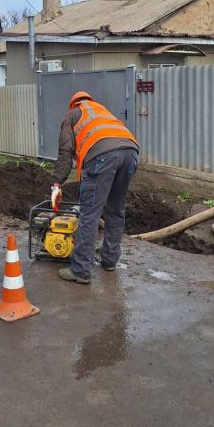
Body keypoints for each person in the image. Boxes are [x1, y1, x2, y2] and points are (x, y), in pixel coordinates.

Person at [51, 91, 139, 284]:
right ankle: (109, 261)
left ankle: (81, 269)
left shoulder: (72, 114)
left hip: (103, 156)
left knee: (90, 213)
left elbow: (66, 150)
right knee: (115, 210)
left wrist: (57, 182)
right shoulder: (101, 110)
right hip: (131, 152)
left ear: (72, 104)